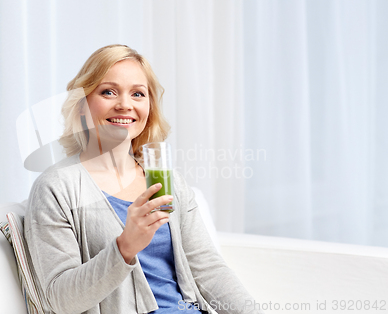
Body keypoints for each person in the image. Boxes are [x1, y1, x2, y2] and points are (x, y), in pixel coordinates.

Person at [24, 44, 263, 314]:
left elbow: (208, 269)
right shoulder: (56, 187)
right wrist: (125, 246)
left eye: (138, 93)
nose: (125, 104)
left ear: (149, 107)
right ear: (81, 106)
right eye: (108, 92)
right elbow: (60, 300)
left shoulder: (165, 181)